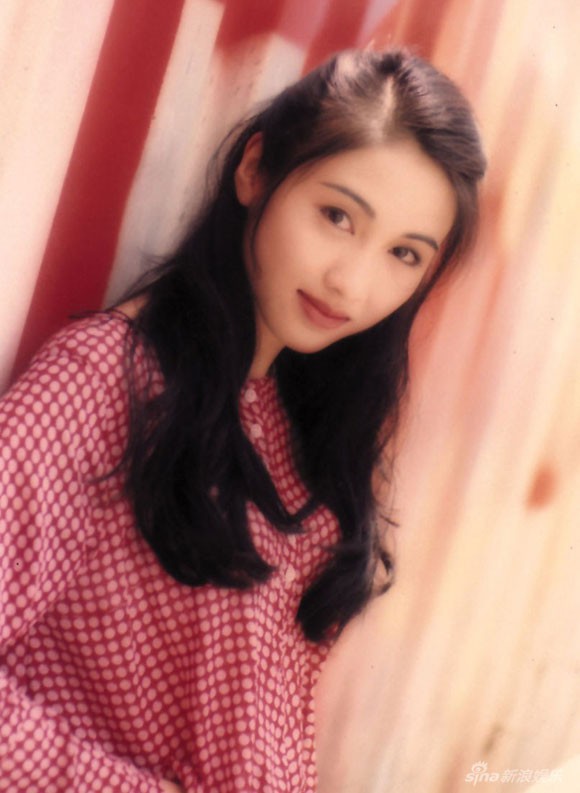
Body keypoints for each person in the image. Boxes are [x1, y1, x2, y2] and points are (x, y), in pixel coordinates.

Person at [0, 48, 486, 792]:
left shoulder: (305, 426)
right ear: (256, 170)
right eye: (337, 216)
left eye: (403, 253)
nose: (352, 282)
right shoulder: (104, 379)